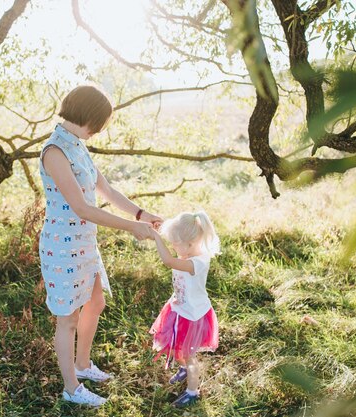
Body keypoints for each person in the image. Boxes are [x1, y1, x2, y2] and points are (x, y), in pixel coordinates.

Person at [39, 85, 162, 407]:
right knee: (67, 318)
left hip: (84, 241)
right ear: (90, 116)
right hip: (61, 247)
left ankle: (83, 364)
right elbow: (81, 208)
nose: (100, 130)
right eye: (101, 122)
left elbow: (105, 189)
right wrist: (132, 228)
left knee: (95, 303)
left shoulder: (77, 145)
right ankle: (71, 388)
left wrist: (141, 214)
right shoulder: (55, 151)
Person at [149, 211, 220, 408]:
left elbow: (168, 261)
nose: (172, 247)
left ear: (189, 243)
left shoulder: (196, 262)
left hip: (193, 315)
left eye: (174, 243)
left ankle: (192, 392)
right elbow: (178, 243)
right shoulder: (189, 251)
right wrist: (162, 228)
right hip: (180, 308)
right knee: (177, 346)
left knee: (189, 355)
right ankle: (182, 370)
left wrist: (156, 238)